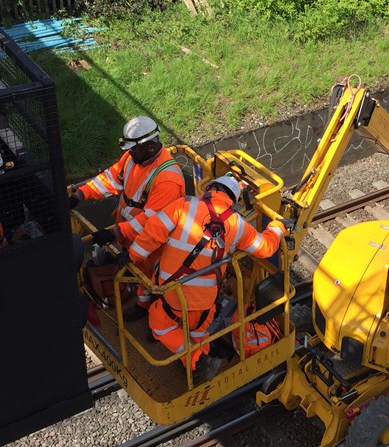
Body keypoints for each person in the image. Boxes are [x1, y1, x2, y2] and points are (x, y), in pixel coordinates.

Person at [127, 175, 291, 383]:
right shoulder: (238, 225)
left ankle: (193, 357)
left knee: (159, 324)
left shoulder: (185, 205)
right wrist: (277, 227)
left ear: (211, 188)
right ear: (233, 199)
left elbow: (154, 231)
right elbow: (266, 248)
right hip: (205, 301)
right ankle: (198, 361)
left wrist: (133, 255)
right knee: (199, 332)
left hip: (172, 293)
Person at [69, 116, 186, 321]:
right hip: (130, 233)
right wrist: (80, 195)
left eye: (134, 149)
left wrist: (116, 232)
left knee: (155, 276)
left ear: (150, 147)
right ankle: (143, 304)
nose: (129, 153)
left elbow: (152, 220)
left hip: (154, 242)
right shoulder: (133, 158)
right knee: (141, 270)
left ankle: (158, 316)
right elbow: (111, 179)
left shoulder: (168, 179)